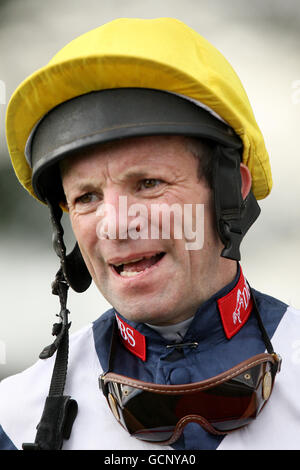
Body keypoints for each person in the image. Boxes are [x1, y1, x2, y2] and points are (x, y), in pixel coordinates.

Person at [0, 17, 299, 451]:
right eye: (86, 197)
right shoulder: (13, 419)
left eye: (148, 184)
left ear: (231, 191)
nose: (116, 224)